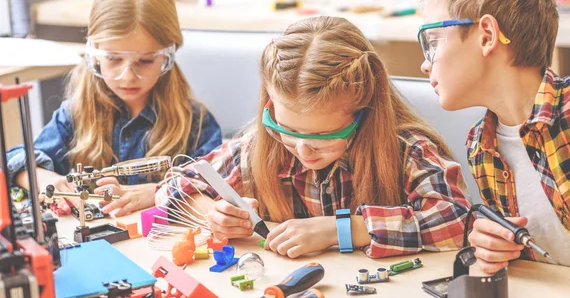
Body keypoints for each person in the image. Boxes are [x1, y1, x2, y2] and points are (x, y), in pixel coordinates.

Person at [157, 16, 470, 258]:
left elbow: (457, 222)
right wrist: (211, 213)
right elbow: (172, 187)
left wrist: (341, 230)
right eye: (288, 130)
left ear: (365, 112)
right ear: (270, 104)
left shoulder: (407, 150)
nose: (304, 150)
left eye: (324, 135)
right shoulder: (259, 147)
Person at [419, 0, 570, 272]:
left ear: (487, 36)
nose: (425, 64)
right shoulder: (481, 146)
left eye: (432, 42)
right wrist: (496, 247)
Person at [7, 0, 222, 216]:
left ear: (167, 56)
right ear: (95, 53)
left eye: (145, 61)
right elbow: (16, 159)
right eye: (114, 59)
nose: (127, 76)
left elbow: (221, 186)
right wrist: (43, 178)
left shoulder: (196, 124)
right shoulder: (75, 115)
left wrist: (158, 192)